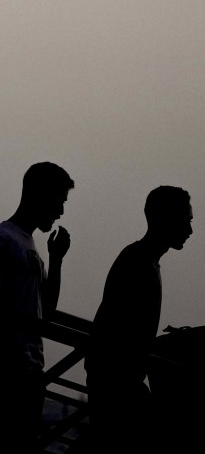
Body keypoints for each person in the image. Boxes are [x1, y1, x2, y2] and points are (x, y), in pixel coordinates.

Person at [0, 161, 74, 454]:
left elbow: (46, 310)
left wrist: (56, 260)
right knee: (17, 447)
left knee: (18, 447)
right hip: (11, 367)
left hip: (27, 366)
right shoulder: (5, 240)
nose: (60, 211)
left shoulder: (24, 243)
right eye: (59, 201)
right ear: (41, 195)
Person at [84, 185, 193, 453]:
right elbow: (121, 331)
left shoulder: (141, 258)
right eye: (185, 220)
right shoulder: (139, 263)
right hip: (117, 383)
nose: (190, 230)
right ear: (166, 219)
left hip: (118, 380)